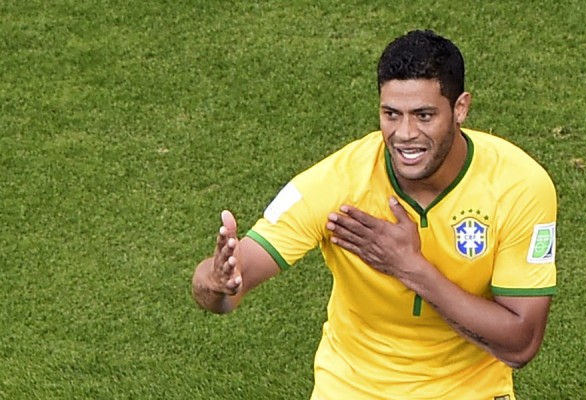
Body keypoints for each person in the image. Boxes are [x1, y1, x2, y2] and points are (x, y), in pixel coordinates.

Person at [192, 29, 557, 399]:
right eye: (391, 114)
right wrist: (216, 282)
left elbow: (520, 345)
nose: (405, 134)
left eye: (424, 115)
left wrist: (409, 267)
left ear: (460, 108)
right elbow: (226, 289)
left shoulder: (520, 186)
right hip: (353, 389)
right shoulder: (336, 183)